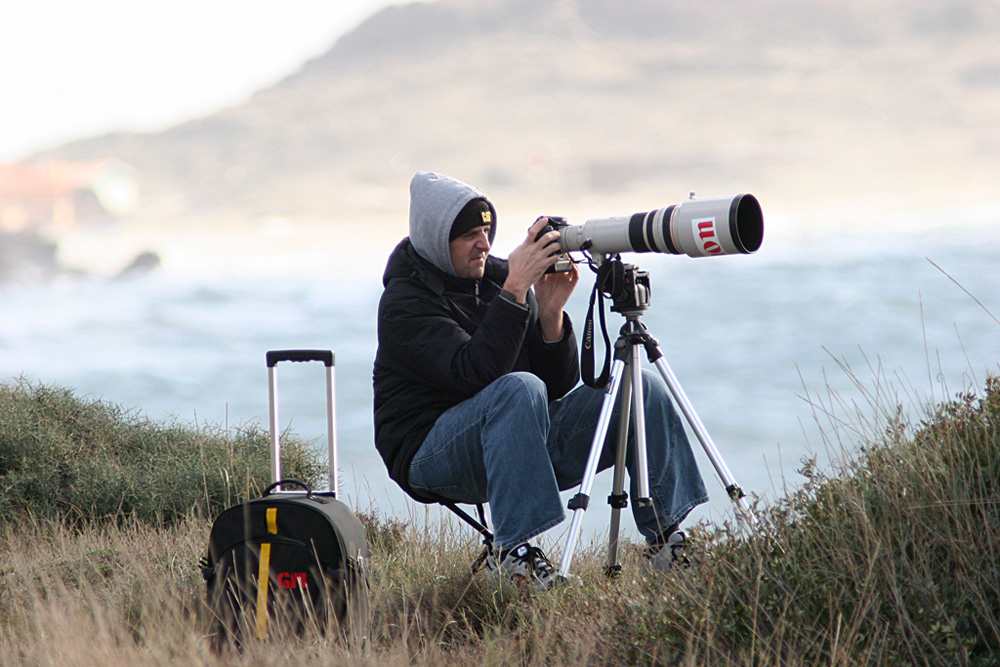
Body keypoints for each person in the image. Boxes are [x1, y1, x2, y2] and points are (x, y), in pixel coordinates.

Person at [373, 171, 707, 588]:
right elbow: (473, 374)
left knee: (638, 388)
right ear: (435, 239)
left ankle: (666, 543)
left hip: (515, 438)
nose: (484, 243)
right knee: (517, 388)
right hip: (431, 453)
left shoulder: (499, 280)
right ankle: (514, 554)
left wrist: (550, 314)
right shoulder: (405, 302)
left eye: (486, 231)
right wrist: (515, 289)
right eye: (468, 235)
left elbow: (552, 387)